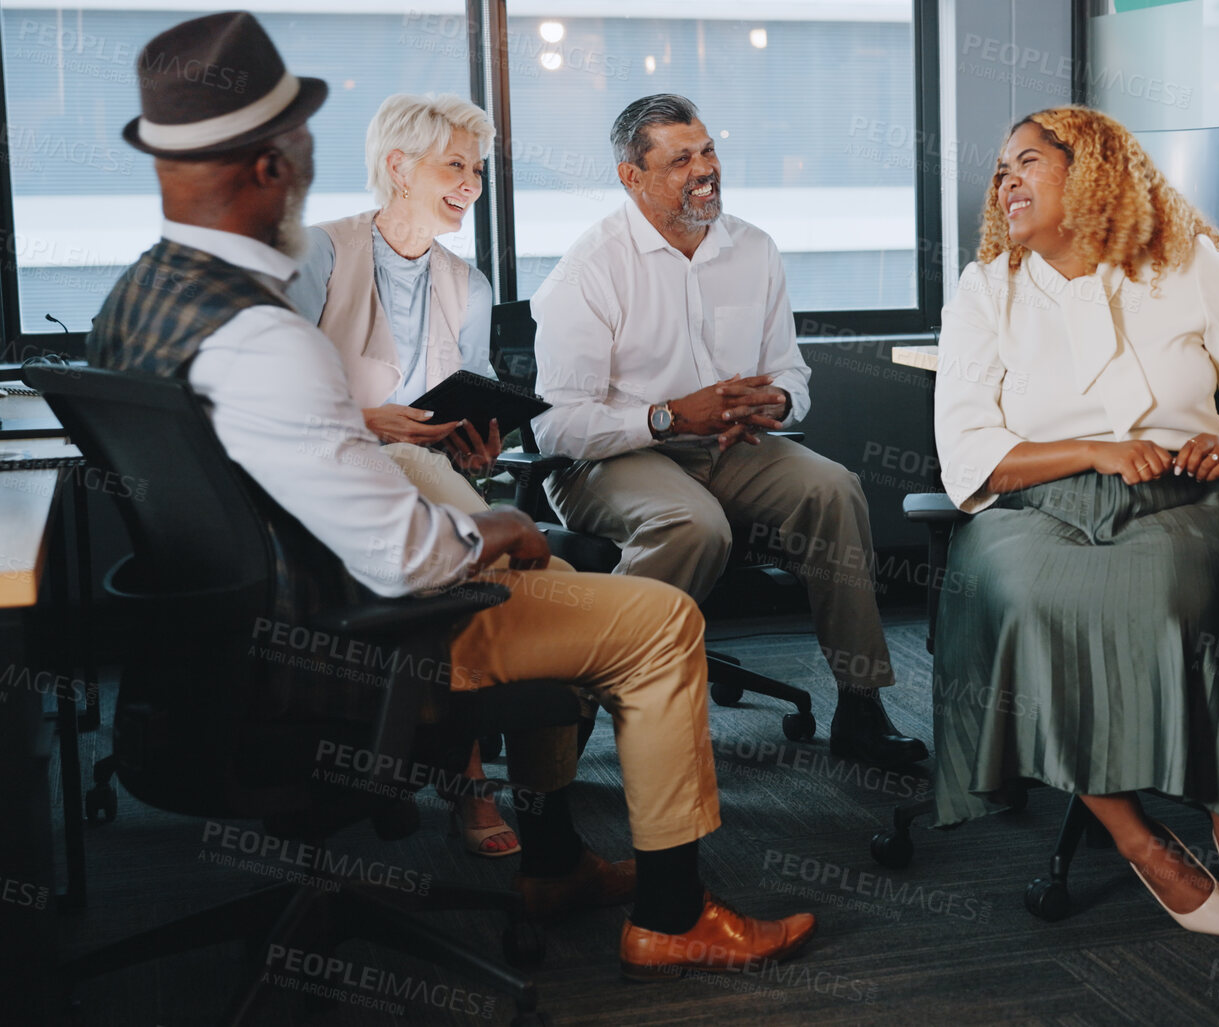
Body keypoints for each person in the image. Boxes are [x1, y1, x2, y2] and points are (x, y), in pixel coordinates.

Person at [88, 12, 812, 976]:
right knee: (661, 621)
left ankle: (552, 861)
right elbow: (408, 554)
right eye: (301, 136)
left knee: (581, 593)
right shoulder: (271, 336)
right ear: (271, 165)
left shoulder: (133, 299)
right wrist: (504, 526)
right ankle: (670, 915)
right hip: (347, 637)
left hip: (227, 646)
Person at [932, 106, 1219, 938]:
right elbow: (966, 453)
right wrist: (1093, 451)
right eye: (1000, 170)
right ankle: (1136, 837)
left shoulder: (1188, 266)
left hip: (1178, 495)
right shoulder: (985, 289)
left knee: (1178, 598)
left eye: (1026, 162)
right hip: (1032, 505)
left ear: (1093, 172)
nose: (1005, 182)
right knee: (1030, 603)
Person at [529, 93, 926, 768]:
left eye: (708, 150)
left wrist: (773, 401)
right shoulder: (590, 267)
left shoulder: (753, 248)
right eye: (681, 158)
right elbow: (557, 427)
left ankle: (861, 704)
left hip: (730, 445)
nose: (704, 168)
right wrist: (671, 416)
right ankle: (580, 699)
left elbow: (791, 374)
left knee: (833, 489)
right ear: (633, 176)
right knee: (692, 524)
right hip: (612, 455)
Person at [288, 91, 530, 858]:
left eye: (479, 168)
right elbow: (266, 396)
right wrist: (368, 421)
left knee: (433, 485)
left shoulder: (470, 281)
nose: (472, 182)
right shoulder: (318, 253)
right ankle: (476, 775)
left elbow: (470, 394)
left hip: (425, 478)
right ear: (397, 167)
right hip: (325, 482)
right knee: (479, 559)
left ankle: (477, 762)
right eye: (454, 164)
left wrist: (477, 442)